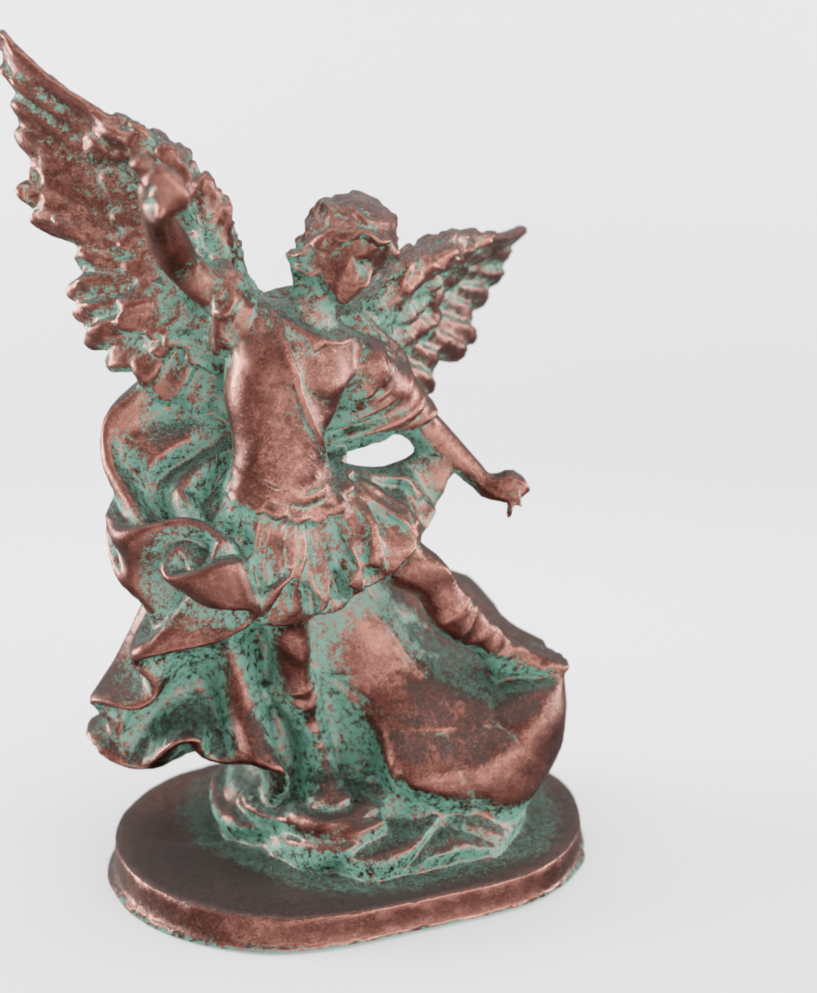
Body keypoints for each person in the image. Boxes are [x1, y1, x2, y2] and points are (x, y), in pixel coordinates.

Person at [132, 157, 560, 674]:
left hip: (334, 507)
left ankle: (507, 659)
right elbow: (186, 269)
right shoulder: (253, 317)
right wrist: (160, 218)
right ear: (326, 251)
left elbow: (424, 422)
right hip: (259, 521)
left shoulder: (363, 351)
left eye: (375, 267)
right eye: (362, 261)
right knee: (289, 637)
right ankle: (298, 712)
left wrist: (485, 479)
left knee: (433, 578)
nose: (368, 278)